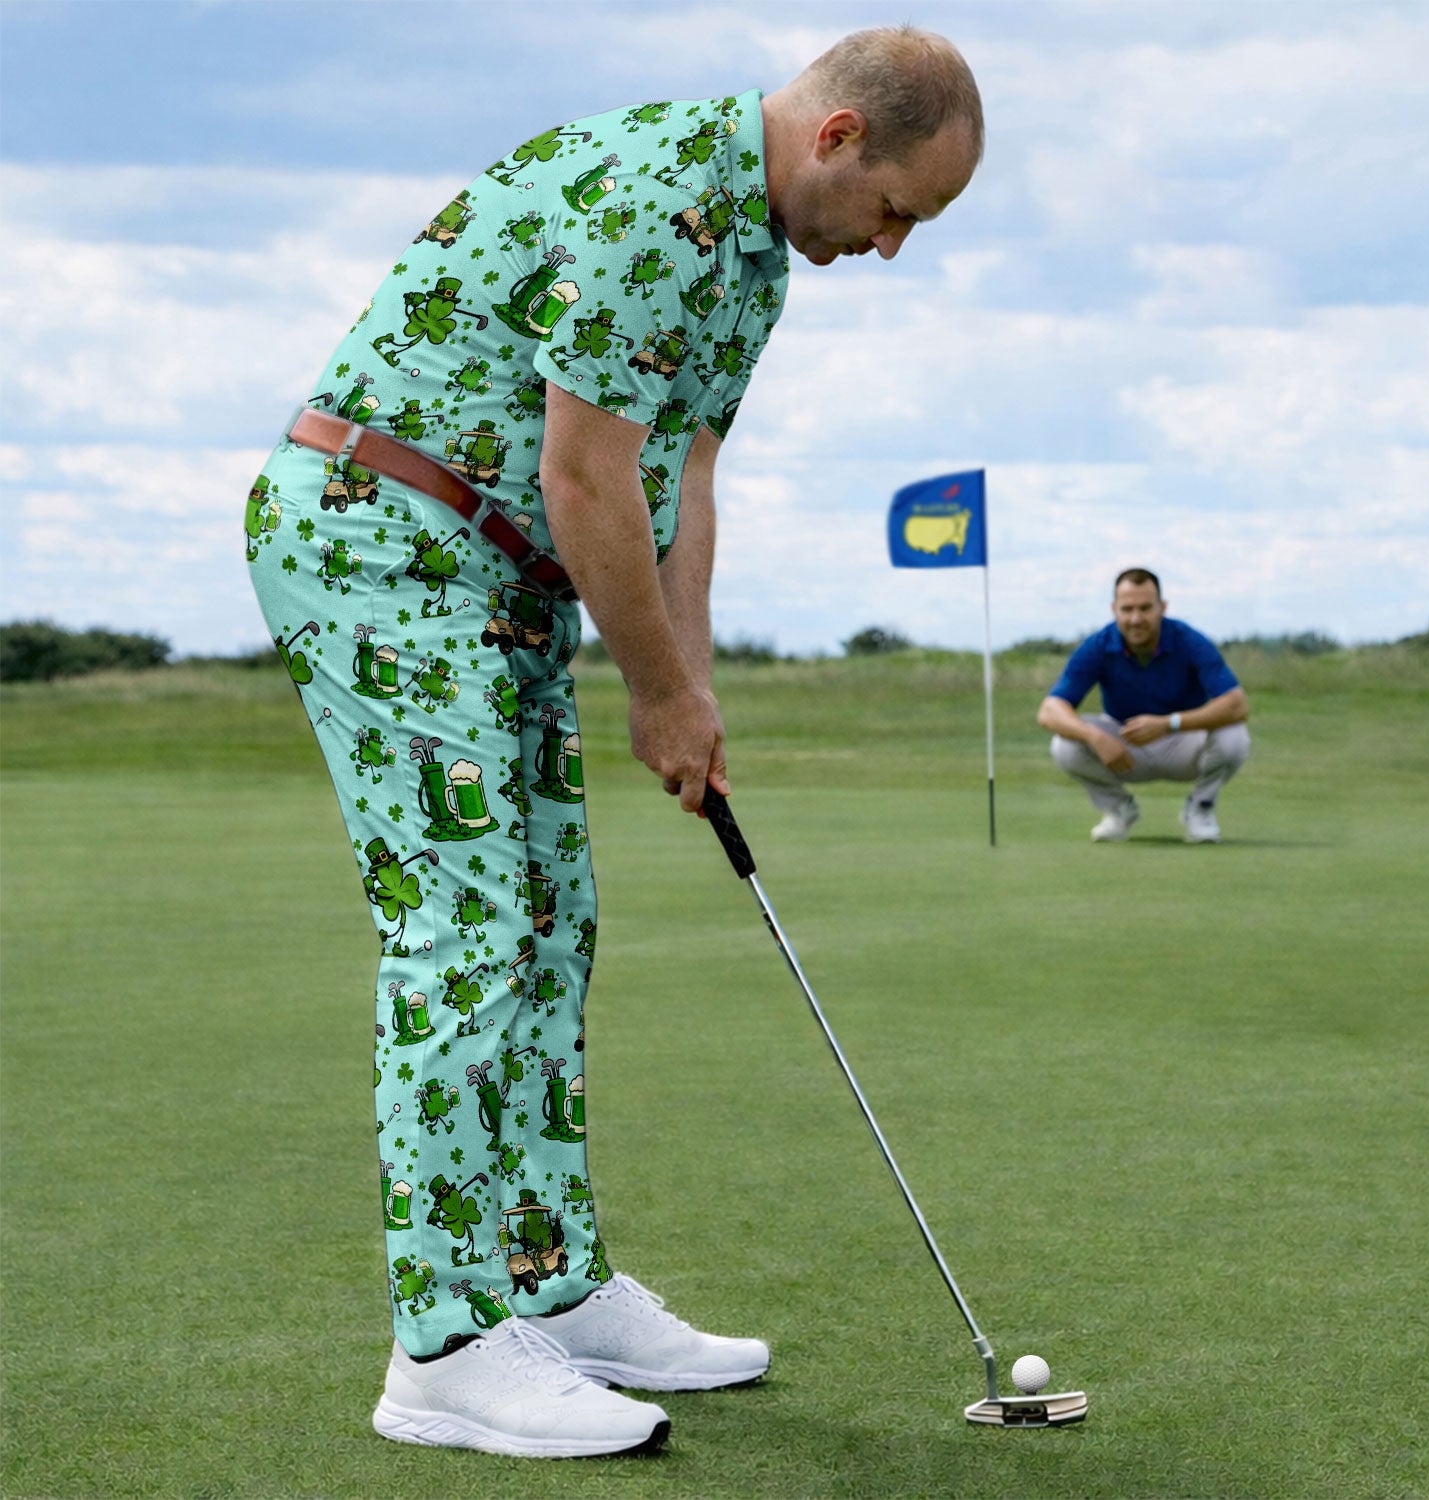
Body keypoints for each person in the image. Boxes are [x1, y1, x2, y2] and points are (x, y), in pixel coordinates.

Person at [242, 27, 983, 1460]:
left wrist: (689, 685)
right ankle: (445, 1346)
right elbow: (583, 475)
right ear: (838, 138)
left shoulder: (755, 258)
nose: (891, 247)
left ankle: (550, 1286)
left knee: (551, 917)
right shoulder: (657, 199)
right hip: (378, 540)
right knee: (470, 930)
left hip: (497, 575)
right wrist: (650, 693)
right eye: (897, 211)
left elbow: (679, 476)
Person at [1037, 568, 1250, 843]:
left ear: (1162, 607)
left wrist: (1168, 723)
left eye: (1145, 608)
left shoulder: (1188, 640)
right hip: (1125, 746)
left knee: (1234, 735)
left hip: (1183, 742)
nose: (1136, 619)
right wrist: (1094, 736)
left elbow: (1236, 705)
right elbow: (1050, 710)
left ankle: (1200, 809)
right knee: (1064, 744)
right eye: (1127, 609)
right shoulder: (1099, 645)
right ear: (1114, 610)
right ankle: (1119, 809)